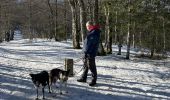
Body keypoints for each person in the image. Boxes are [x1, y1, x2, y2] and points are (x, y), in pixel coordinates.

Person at [77, 21, 100, 86]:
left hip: (90, 53)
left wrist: (86, 52)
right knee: (85, 66)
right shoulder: (92, 32)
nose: (86, 28)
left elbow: (89, 45)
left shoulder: (94, 33)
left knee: (92, 67)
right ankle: (83, 78)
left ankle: (94, 80)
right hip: (87, 53)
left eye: (87, 26)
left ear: (90, 26)